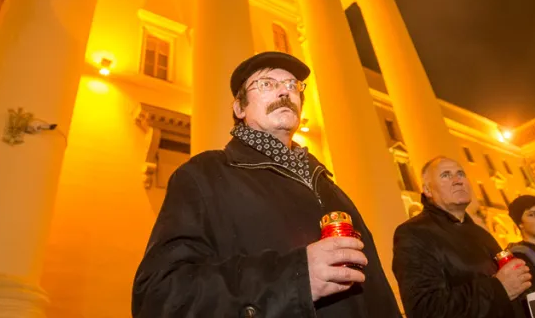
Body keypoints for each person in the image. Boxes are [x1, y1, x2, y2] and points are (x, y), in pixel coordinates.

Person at [131, 51, 401, 317]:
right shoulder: (203, 176)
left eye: (291, 85)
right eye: (266, 84)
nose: (284, 92)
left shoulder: (332, 190)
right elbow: (159, 296)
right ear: (239, 108)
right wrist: (294, 278)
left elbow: (378, 296)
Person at [393, 156, 531, 318]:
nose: (458, 180)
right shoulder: (413, 233)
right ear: (428, 190)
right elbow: (426, 310)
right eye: (445, 175)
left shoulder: (482, 234)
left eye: (461, 174)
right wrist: (497, 288)